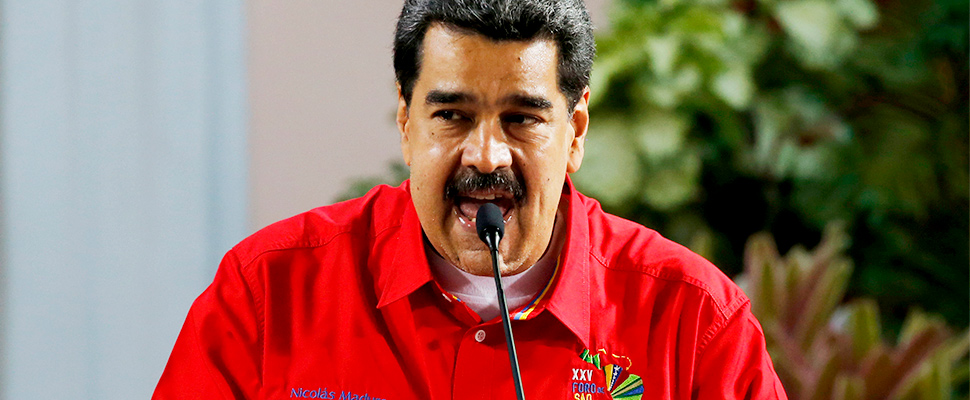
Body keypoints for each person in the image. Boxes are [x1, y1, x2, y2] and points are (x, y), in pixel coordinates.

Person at [153, 0, 788, 399]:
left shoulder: (692, 319)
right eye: (452, 115)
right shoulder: (268, 292)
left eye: (523, 118)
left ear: (577, 130)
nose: (487, 156)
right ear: (406, 122)